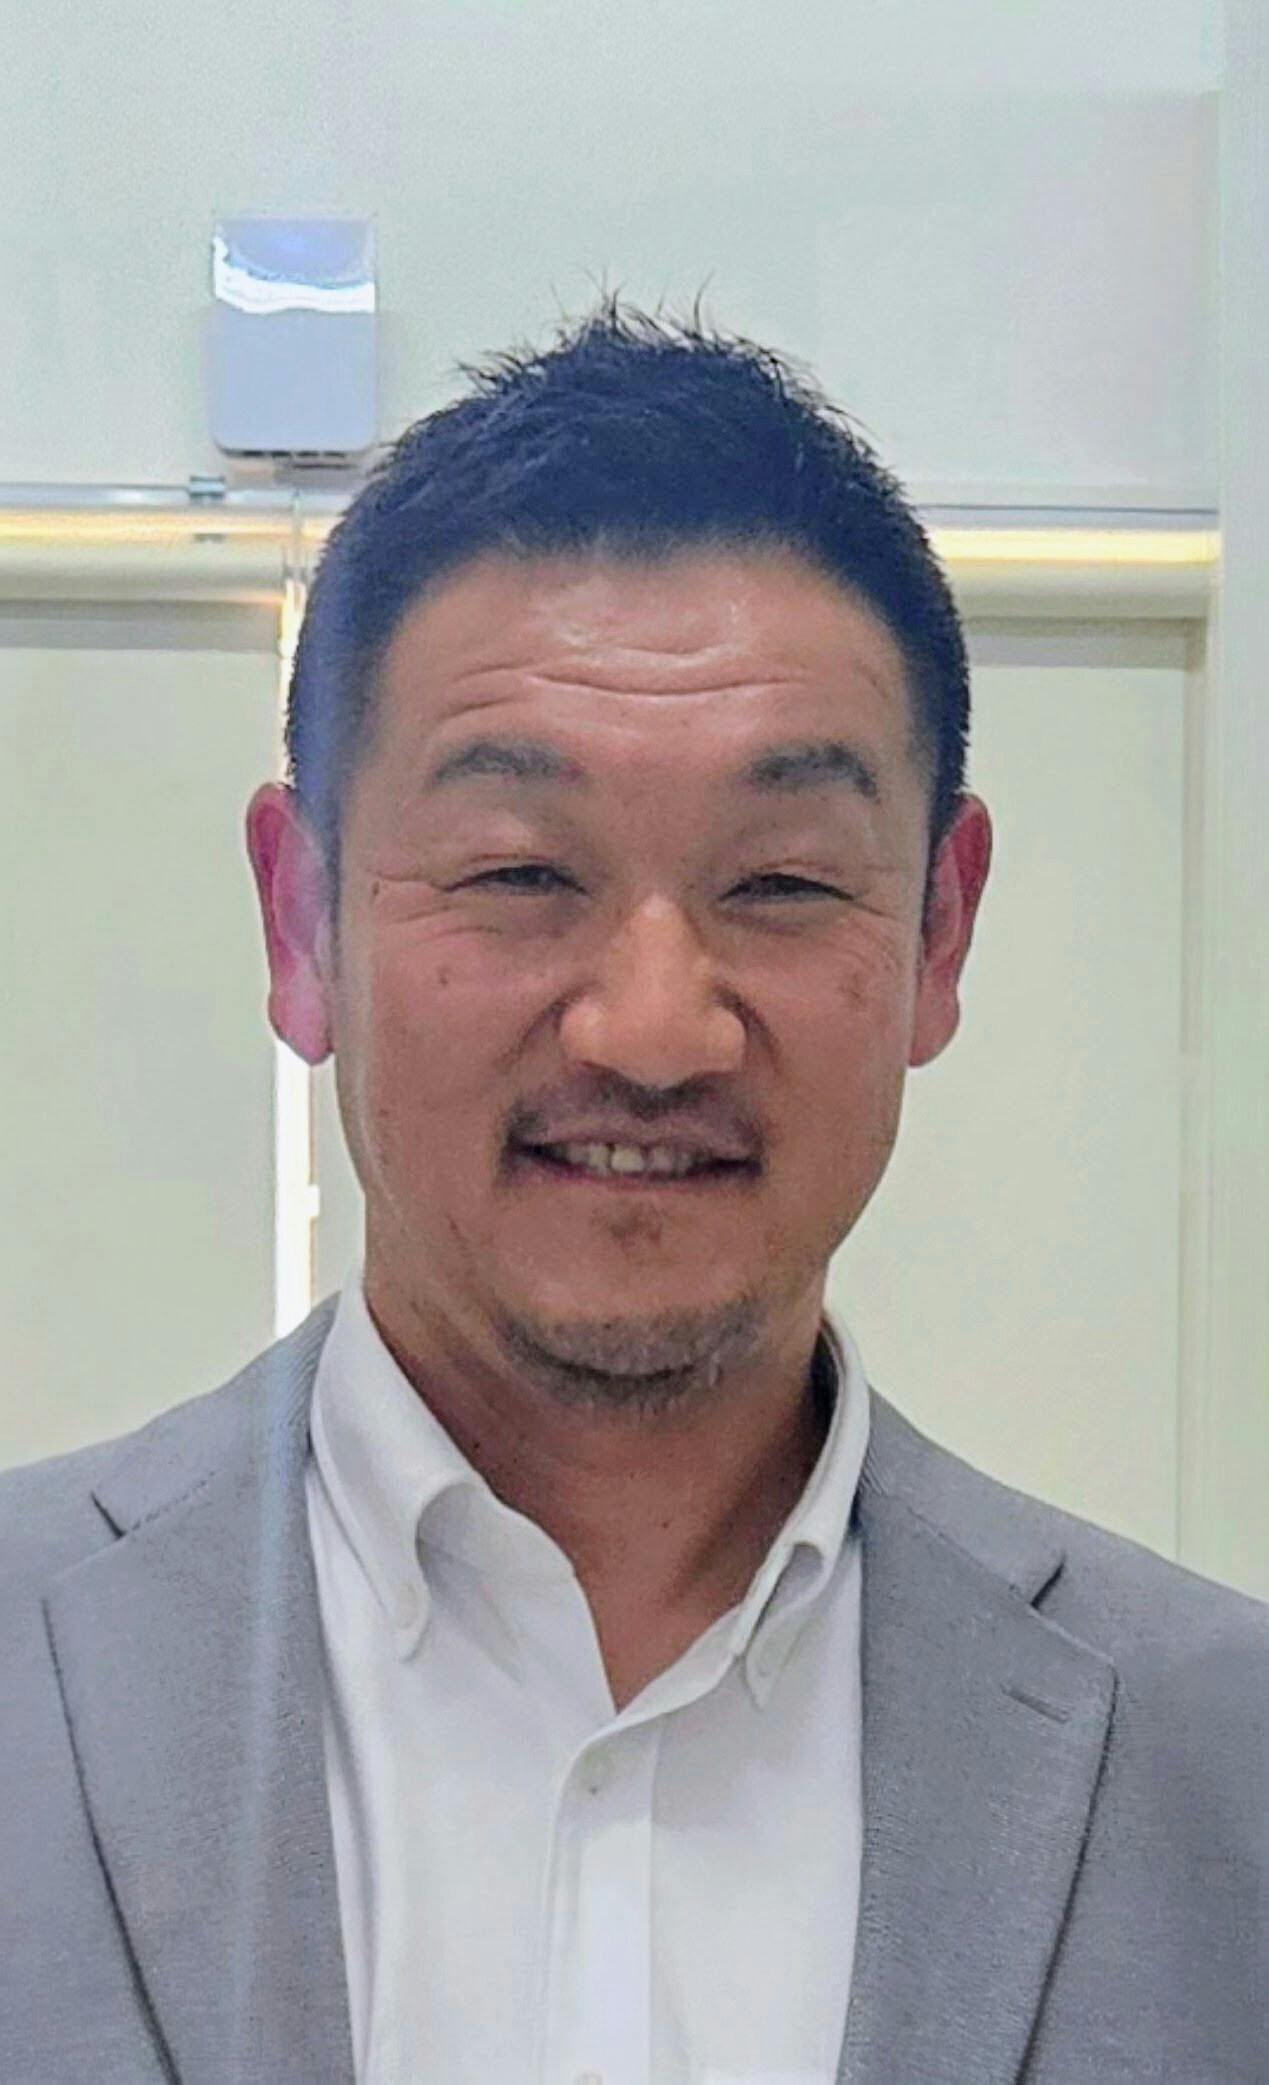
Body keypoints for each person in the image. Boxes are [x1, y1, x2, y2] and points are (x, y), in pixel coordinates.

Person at [2, 299, 1266, 2085]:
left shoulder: (1218, 1761)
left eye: (781, 881)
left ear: (937, 931)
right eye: (521, 870)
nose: (653, 1027)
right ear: (300, 922)